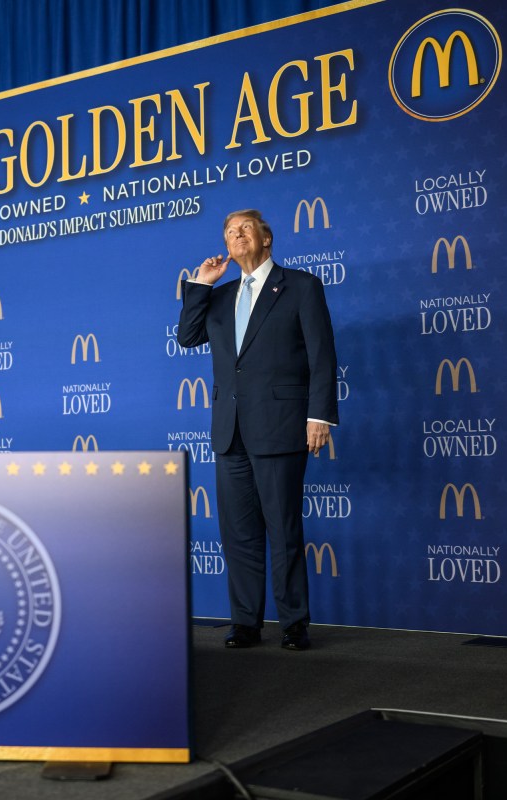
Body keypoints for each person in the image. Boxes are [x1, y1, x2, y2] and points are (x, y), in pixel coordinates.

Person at [177, 209, 338, 650]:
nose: (237, 234)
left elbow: (322, 355)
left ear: (267, 239)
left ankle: (293, 623)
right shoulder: (220, 296)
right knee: (238, 534)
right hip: (229, 432)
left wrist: (319, 415)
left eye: (245, 228)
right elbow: (187, 336)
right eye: (230, 231)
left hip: (281, 426)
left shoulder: (300, 286)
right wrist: (201, 284)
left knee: (283, 530)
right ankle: (245, 622)